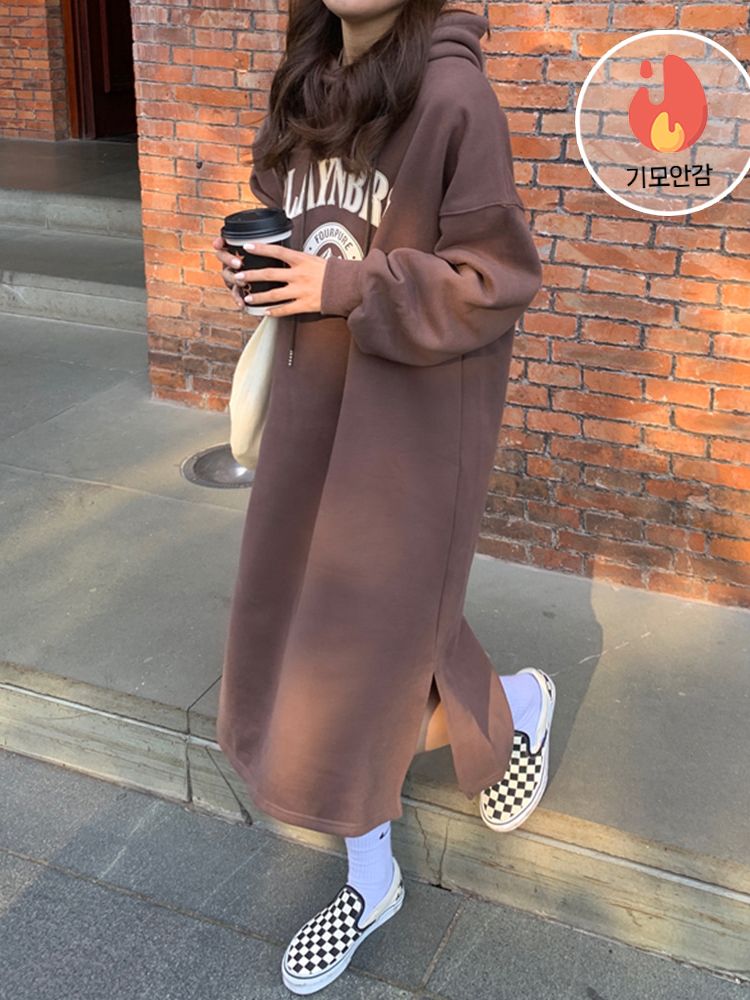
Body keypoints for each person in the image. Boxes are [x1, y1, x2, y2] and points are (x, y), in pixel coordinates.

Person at [212, 1, 554, 993]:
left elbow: (495, 279)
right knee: (313, 636)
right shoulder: (308, 77)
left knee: (360, 665)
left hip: (407, 434)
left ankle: (376, 876)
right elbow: (290, 216)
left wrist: (344, 287)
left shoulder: (453, 96)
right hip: (311, 410)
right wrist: (258, 268)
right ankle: (513, 707)